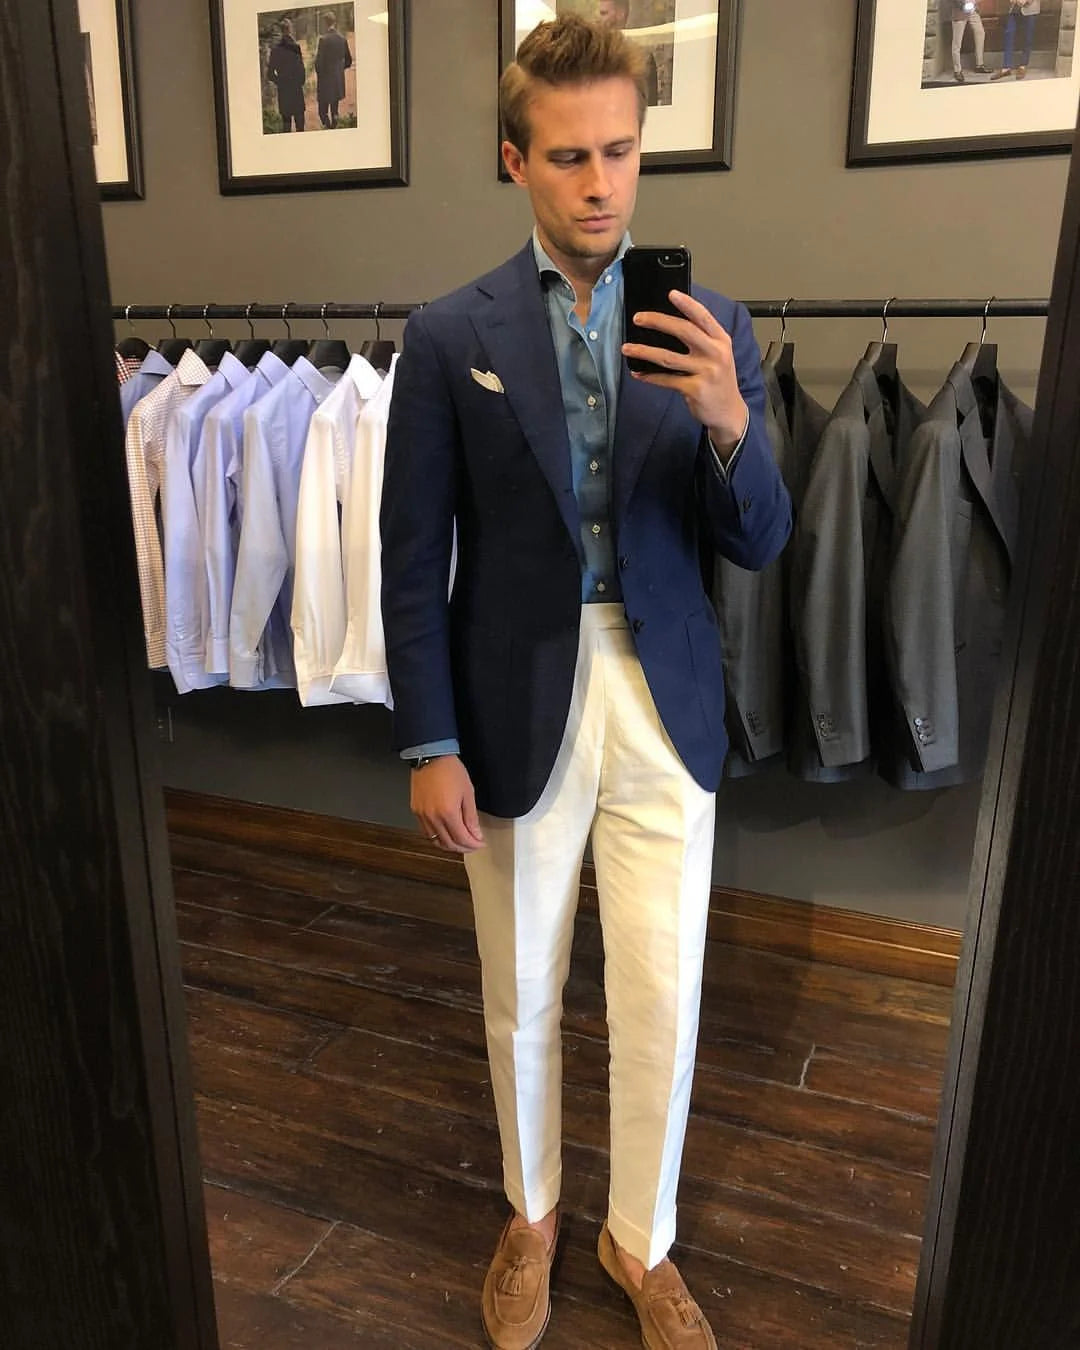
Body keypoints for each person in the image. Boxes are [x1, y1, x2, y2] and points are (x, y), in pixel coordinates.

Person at [379, 15, 790, 1350]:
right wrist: (429, 739)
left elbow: (760, 538)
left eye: (621, 151)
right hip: (514, 696)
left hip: (665, 695)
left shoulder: (713, 327)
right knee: (523, 983)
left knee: (664, 989)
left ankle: (639, 1238)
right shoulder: (450, 333)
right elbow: (410, 553)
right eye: (569, 156)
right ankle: (534, 1213)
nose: (602, 183)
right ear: (515, 160)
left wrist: (730, 423)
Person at [595, 0, 660, 105]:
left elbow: (650, 107)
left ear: (621, 14)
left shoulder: (642, 60)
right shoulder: (594, 58)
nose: (598, 19)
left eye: (604, 13)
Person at [266, 18, 306, 133]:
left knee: (286, 127)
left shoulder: (275, 50)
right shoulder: (296, 47)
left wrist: (280, 82)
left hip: (284, 92)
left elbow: (270, 74)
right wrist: (300, 82)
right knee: (300, 127)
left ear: (281, 30)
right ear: (290, 29)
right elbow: (301, 69)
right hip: (296, 90)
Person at [315, 11, 353, 128]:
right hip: (337, 80)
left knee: (322, 111)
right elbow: (349, 61)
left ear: (325, 23)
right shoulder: (342, 39)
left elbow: (318, 63)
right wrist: (340, 69)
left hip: (325, 81)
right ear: (334, 22)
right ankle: (334, 127)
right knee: (335, 110)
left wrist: (321, 75)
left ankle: (328, 127)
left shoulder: (323, 40)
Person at [993, 0, 1041, 80]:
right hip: (1014, 8)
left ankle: (1023, 66)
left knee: (1027, 37)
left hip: (1030, 8)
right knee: (1009, 33)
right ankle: (1006, 67)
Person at [949, 1, 990, 82]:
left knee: (980, 33)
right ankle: (957, 70)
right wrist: (963, 4)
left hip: (972, 10)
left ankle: (979, 65)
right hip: (960, 11)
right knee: (957, 42)